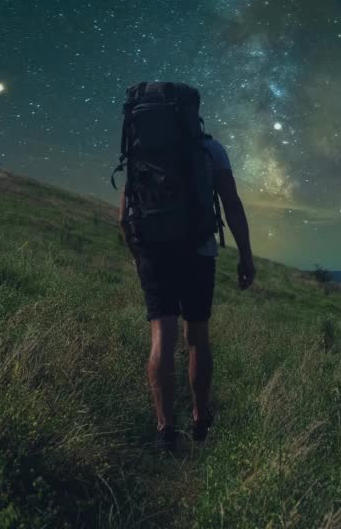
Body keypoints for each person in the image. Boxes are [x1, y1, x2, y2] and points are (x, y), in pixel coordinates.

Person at [117, 96, 255, 452]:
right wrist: (245, 255)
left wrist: (138, 254)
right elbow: (231, 204)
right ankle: (200, 417)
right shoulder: (212, 150)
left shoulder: (139, 149)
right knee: (197, 336)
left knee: (161, 336)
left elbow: (124, 214)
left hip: (153, 250)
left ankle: (165, 429)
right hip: (198, 251)